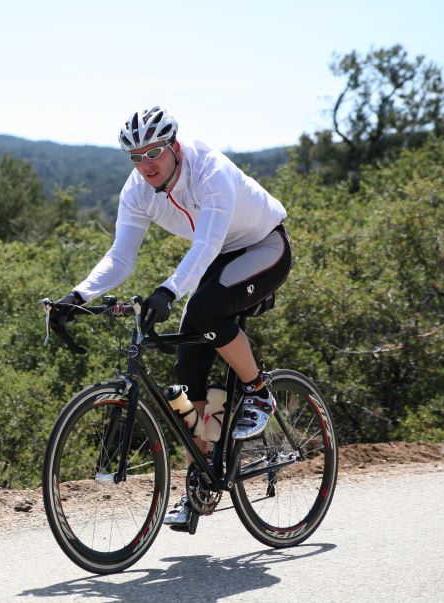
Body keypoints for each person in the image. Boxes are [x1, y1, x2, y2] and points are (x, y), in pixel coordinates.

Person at [54, 106, 291, 530]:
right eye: (136, 157)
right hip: (218, 259)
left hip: (262, 248)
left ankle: (258, 392)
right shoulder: (137, 190)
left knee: (202, 311)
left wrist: (167, 291)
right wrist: (78, 295)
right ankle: (200, 481)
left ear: (175, 146)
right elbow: (120, 257)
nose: (146, 164)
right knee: (186, 375)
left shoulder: (210, 171)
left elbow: (205, 245)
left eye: (155, 152)